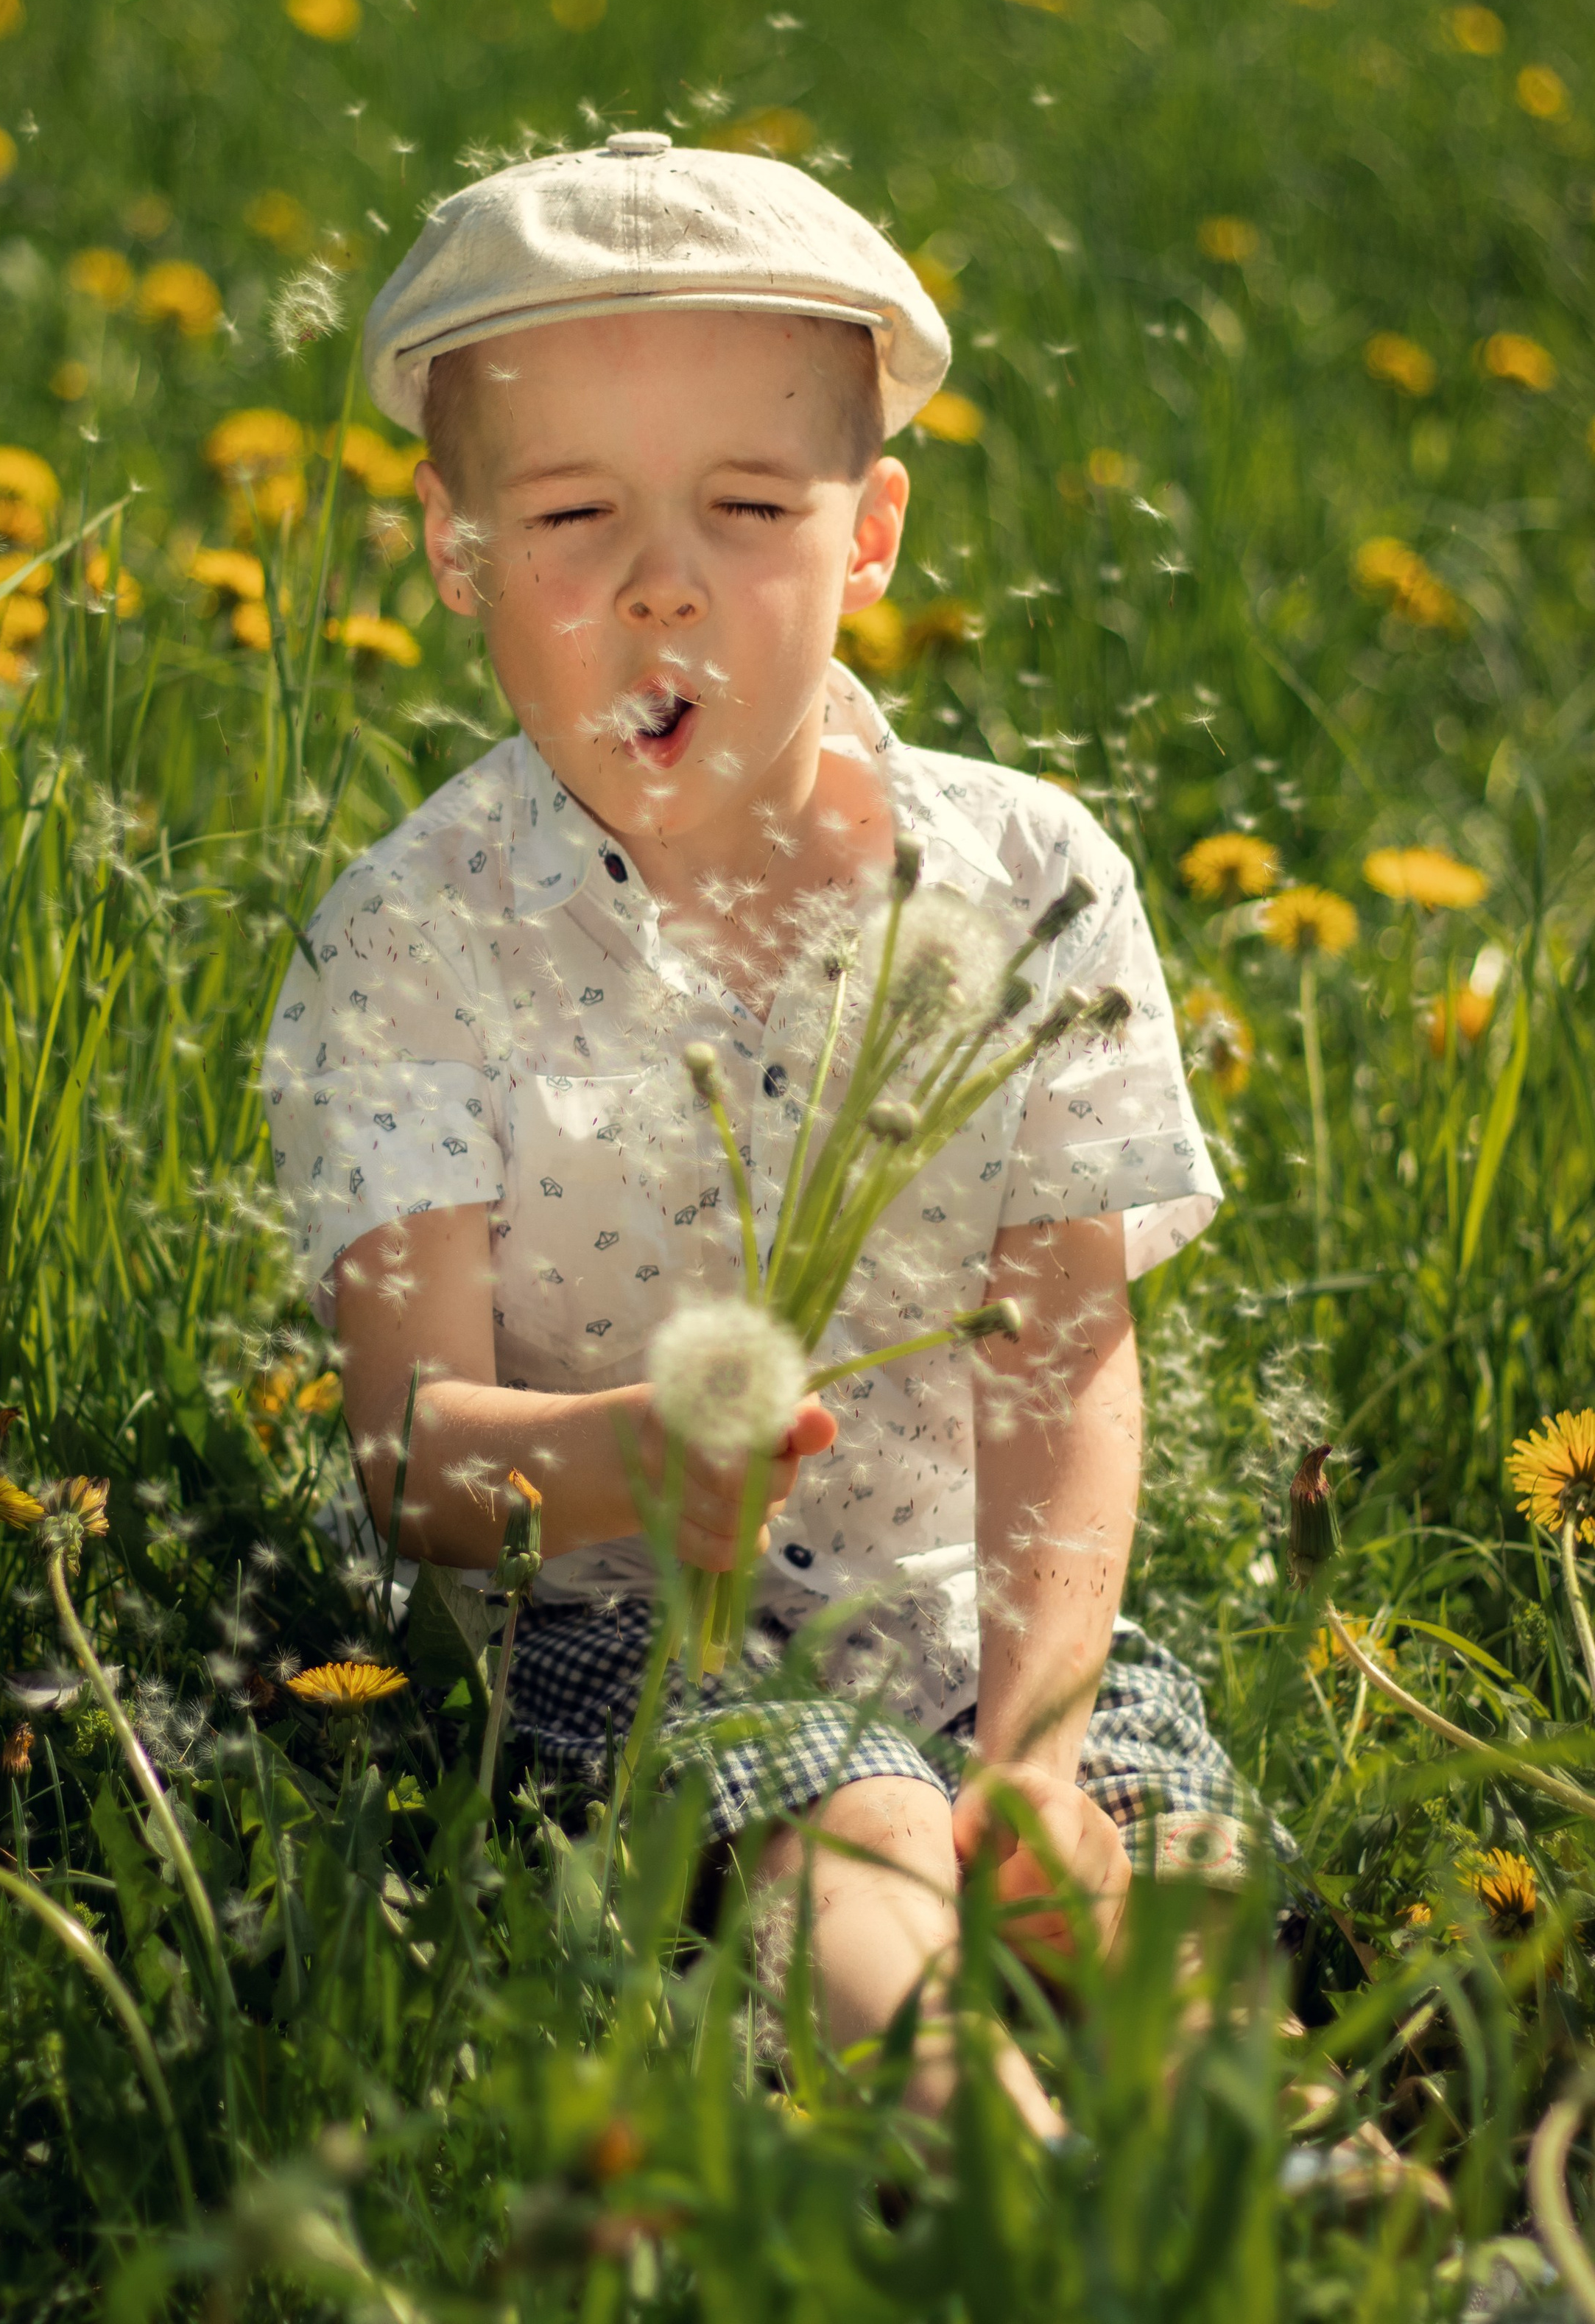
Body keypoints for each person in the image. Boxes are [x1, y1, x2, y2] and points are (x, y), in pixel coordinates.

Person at [263, 130, 1264, 2139]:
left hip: (980, 1602)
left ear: (871, 533)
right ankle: (1013, 2190)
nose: (664, 582)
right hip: (627, 1625)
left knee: (1179, 1881)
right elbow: (405, 1453)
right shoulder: (411, 937)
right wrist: (611, 1463)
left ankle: (1243, 2175)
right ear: (456, 559)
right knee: (864, 1842)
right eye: (571, 516)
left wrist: (1047, 1747)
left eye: (747, 506)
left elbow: (1065, 1363)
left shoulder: (1031, 880)